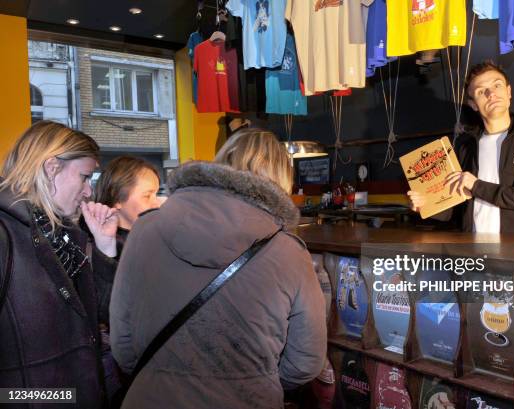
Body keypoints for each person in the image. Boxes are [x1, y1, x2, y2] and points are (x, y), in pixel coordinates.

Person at [110, 129, 327, 409]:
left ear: (222, 164)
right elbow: (305, 361)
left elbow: (123, 345)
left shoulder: (145, 229)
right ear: (282, 180)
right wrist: (256, 381)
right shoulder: (289, 251)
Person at [0, 121, 118, 408]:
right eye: (84, 177)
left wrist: (104, 248)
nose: (89, 192)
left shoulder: (66, 237)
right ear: (52, 167)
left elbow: (104, 315)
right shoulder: (5, 235)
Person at [407, 61, 514, 235]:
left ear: (509, 92)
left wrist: (476, 186)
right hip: (474, 251)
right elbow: (454, 210)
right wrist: (426, 206)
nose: (491, 93)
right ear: (473, 104)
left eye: (497, 85)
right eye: (480, 91)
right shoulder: (465, 146)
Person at [91, 156, 162, 407]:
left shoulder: (148, 239)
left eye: (157, 193)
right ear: (118, 199)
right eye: (148, 195)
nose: (157, 203)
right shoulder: (102, 247)